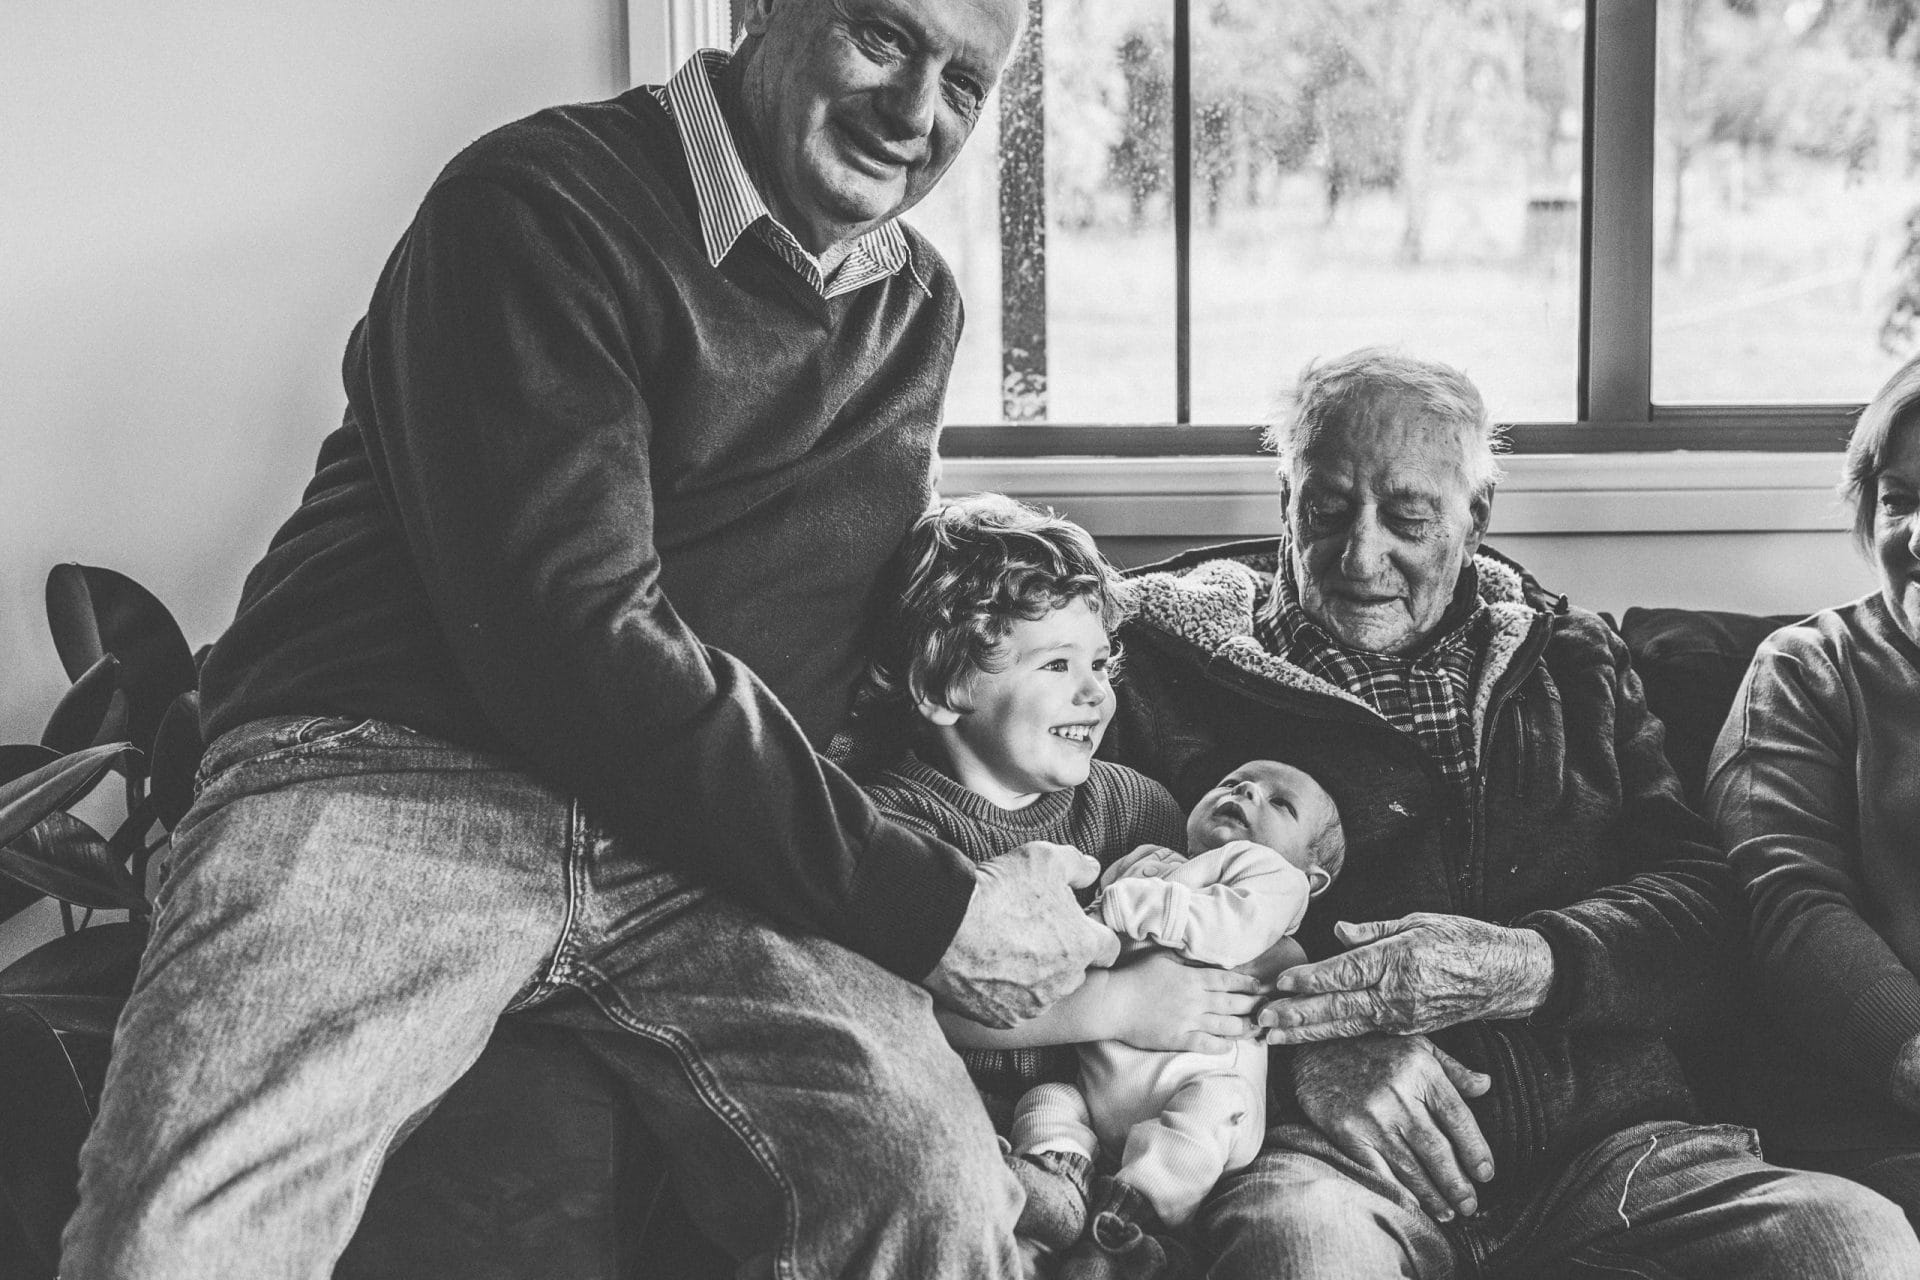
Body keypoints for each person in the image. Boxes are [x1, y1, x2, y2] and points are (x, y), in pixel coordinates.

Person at [60, 4, 1123, 1278]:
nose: (914, 114)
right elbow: (569, 631)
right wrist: (928, 901)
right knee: (183, 1225)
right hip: (390, 768)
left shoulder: (915, 307)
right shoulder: (536, 202)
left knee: (933, 1183)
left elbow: (842, 631)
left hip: (695, 839)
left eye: (963, 84)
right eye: (885, 39)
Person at [1105, 345, 1920, 1277]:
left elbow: (1707, 909)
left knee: (1854, 1246)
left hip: (1616, 1150)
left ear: (1477, 518)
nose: (1361, 555)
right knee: (1304, 1253)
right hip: (1336, 1157)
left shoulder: (1573, 663)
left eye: (1409, 517)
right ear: (1284, 501)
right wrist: (1299, 1059)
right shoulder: (1162, 674)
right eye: (1325, 510)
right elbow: (1113, 919)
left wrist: (1531, 964)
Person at [851, 493, 1286, 1277]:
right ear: (943, 686)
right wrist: (1117, 1004)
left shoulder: (1139, 807)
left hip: (1124, 1123)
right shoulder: (892, 828)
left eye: (1101, 663)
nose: (1096, 694)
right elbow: (908, 1008)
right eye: (1057, 664)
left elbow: (1200, 940)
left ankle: (1118, 1237)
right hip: (975, 1116)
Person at [1705, 352, 1920, 1228]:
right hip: (1870, 1126)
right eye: (1900, 500)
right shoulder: (1807, 671)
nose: (1917, 537)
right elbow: (1789, 907)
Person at [1014, 759, 1345, 1280]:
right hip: (1103, 1086)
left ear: (1312, 878)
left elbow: (1228, 929)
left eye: (1281, 803)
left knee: (1214, 1106)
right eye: (1231, 782)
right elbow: (1089, 934)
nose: (1247, 791)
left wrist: (1124, 914)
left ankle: (1134, 1208)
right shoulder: (1144, 861)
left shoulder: (1275, 880)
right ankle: (1057, 1173)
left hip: (1201, 1086)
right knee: (1049, 1099)